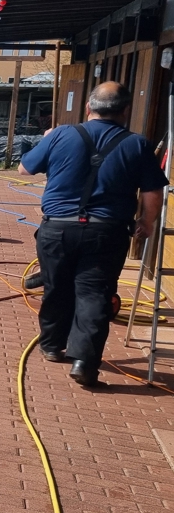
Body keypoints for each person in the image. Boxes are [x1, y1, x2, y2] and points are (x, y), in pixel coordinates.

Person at [18, 82, 167, 386]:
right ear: (126, 111)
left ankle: (51, 346)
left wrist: (47, 140)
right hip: (106, 232)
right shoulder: (137, 144)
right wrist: (146, 221)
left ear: (88, 108)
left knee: (56, 288)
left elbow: (24, 169)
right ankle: (84, 361)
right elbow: (153, 190)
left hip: (57, 229)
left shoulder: (61, 134)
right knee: (94, 295)